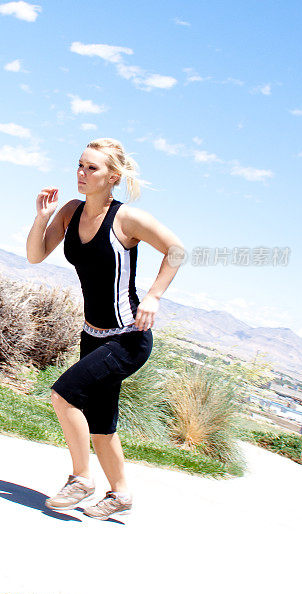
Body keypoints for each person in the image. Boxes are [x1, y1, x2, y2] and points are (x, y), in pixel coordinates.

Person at [26, 138, 185, 520]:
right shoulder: (70, 211)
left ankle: (81, 479)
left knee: (64, 396)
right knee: (101, 425)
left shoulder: (127, 219)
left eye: (91, 168)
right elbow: (35, 255)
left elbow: (176, 250)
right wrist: (41, 217)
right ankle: (122, 494)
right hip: (92, 335)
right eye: (80, 165)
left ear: (113, 176)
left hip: (128, 337)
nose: (82, 173)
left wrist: (154, 297)